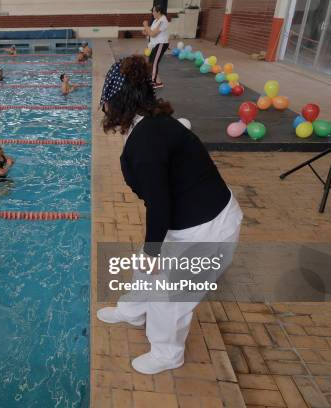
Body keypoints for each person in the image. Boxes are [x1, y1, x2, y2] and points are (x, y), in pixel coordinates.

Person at [97, 56, 243, 375]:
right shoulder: (151, 121)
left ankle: (167, 353)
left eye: (105, 102)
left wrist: (153, 250)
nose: (104, 109)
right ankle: (133, 310)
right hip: (189, 216)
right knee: (145, 265)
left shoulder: (146, 142)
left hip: (209, 229)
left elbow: (158, 204)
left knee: (170, 294)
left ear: (119, 102)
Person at [143, 4, 169, 88]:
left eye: (154, 11)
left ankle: (153, 82)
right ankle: (159, 82)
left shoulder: (163, 20)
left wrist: (146, 26)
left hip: (161, 44)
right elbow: (150, 32)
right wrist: (146, 30)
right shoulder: (155, 20)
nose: (152, 13)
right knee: (151, 62)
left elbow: (153, 34)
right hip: (155, 44)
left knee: (154, 62)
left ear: (159, 12)